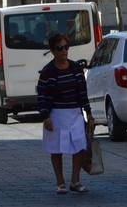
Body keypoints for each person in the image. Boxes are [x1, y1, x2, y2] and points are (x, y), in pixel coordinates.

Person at [37, 32, 94, 194]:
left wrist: (88, 113)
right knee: (57, 149)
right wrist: (45, 116)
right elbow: (42, 95)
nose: (64, 51)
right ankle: (60, 183)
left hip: (74, 113)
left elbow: (83, 92)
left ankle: (75, 180)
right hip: (56, 114)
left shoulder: (76, 68)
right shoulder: (48, 72)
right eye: (59, 48)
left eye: (66, 47)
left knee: (79, 147)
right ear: (53, 51)